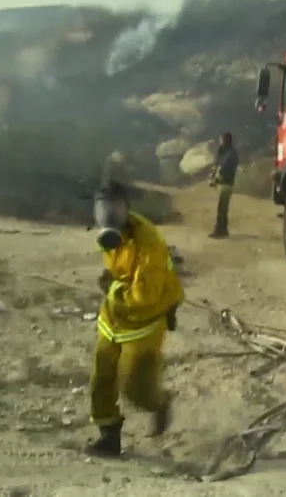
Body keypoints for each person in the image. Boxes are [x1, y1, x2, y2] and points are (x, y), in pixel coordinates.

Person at [86, 180, 184, 457]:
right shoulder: (112, 238)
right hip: (115, 314)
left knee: (133, 385)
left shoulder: (148, 244)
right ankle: (109, 435)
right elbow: (120, 272)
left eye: (114, 209)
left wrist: (112, 289)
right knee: (101, 376)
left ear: (127, 210)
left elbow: (143, 297)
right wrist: (114, 285)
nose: (108, 217)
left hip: (146, 318)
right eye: (102, 210)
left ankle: (159, 403)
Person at [208, 132, 239, 238]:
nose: (220, 141)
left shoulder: (231, 153)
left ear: (226, 140)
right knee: (222, 208)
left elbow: (226, 168)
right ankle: (223, 230)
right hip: (221, 183)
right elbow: (216, 165)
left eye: (222, 139)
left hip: (226, 183)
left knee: (222, 208)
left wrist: (216, 178)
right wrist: (212, 176)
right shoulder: (222, 152)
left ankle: (219, 231)